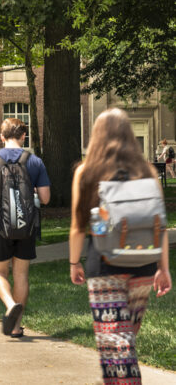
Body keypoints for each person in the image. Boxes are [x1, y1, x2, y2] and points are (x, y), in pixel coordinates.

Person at [69, 108, 171, 384]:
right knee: (124, 339)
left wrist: (74, 262)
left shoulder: (87, 172)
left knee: (115, 340)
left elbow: (79, 225)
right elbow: (159, 224)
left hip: (105, 265)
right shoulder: (147, 171)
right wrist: (164, 268)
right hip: (143, 264)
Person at [0, 118, 51, 337]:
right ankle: (16, 326)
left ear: (2, 136)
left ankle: (9, 305)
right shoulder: (35, 161)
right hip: (26, 227)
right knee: (21, 275)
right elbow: (45, 198)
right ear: (23, 136)